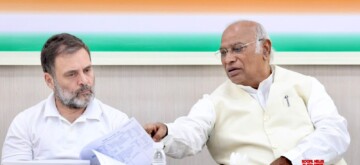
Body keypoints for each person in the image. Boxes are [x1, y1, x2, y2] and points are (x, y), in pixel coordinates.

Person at [144, 20, 350, 165]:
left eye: (237, 49)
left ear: (266, 49)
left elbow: (335, 134)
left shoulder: (306, 85)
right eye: (223, 52)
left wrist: (292, 161)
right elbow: (190, 131)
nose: (228, 59)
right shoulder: (213, 102)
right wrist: (167, 132)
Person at [1, 33, 129, 162]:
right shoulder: (25, 123)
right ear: (50, 80)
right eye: (72, 74)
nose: (84, 81)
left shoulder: (117, 123)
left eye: (87, 70)